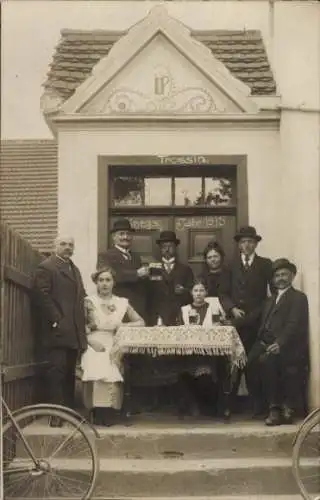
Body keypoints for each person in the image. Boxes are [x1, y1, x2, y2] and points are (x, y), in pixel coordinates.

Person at [33, 236, 87, 427]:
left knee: (70, 373)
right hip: (57, 331)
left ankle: (68, 412)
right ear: (55, 246)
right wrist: (56, 319)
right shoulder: (47, 267)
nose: (68, 248)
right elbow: (41, 296)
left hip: (72, 331)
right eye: (63, 244)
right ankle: (55, 416)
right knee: (57, 372)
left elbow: (81, 297)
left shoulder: (74, 268)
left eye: (71, 245)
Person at [247, 258, 309, 426]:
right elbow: (254, 318)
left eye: (284, 275)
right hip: (264, 342)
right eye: (277, 276)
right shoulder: (269, 300)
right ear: (273, 279)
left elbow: (293, 324)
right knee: (248, 362)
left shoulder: (298, 298)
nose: (280, 278)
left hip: (288, 345)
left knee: (268, 362)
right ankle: (260, 406)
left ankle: (276, 408)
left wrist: (280, 343)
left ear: (292, 276)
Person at [81, 266, 144, 426]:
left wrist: (122, 326)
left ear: (113, 283)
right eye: (100, 280)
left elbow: (140, 322)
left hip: (114, 341)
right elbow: (80, 326)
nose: (104, 284)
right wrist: (90, 341)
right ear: (96, 283)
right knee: (97, 358)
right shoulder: (89, 302)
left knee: (112, 361)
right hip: (93, 340)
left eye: (108, 280)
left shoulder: (121, 302)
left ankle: (109, 410)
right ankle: (97, 410)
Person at [219, 226, 273, 413]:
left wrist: (258, 314)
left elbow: (271, 296)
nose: (247, 245)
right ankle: (229, 405)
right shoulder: (229, 265)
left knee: (252, 363)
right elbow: (223, 293)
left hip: (256, 322)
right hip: (235, 324)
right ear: (239, 245)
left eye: (250, 241)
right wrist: (232, 308)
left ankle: (257, 405)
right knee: (233, 363)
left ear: (256, 244)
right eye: (243, 242)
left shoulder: (266, 264)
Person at [177, 279, 228, 418]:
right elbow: (179, 331)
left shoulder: (214, 309)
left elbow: (223, 327)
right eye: (195, 291)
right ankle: (193, 405)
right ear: (191, 293)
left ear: (206, 292)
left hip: (210, 353)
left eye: (201, 290)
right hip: (190, 352)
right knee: (183, 373)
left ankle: (212, 407)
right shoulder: (185, 310)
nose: (198, 294)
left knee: (209, 374)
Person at [97, 219, 149, 321]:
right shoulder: (105, 256)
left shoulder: (136, 257)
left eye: (128, 234)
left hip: (137, 308)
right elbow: (109, 276)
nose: (125, 237)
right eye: (121, 234)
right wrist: (136, 274)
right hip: (116, 307)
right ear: (114, 237)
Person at [148, 231, 194, 326]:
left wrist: (184, 291)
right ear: (160, 249)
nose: (167, 249)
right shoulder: (152, 268)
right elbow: (148, 293)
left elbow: (192, 292)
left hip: (179, 314)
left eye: (171, 246)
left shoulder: (185, 269)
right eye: (164, 246)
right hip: (158, 316)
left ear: (175, 248)